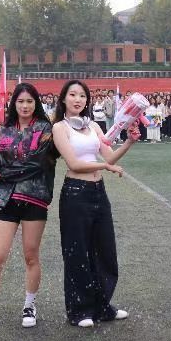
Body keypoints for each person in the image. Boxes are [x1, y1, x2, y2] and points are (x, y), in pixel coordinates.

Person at [52, 80, 138, 328]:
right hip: (75, 193)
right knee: (77, 252)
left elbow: (109, 156)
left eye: (82, 95)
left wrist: (129, 142)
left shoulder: (93, 126)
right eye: (72, 95)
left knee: (105, 250)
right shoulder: (59, 127)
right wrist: (105, 166)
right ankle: (80, 311)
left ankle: (102, 306)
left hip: (98, 191)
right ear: (64, 99)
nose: (77, 99)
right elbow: (74, 164)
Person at [0, 83, 56, 331]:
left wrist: (4, 173)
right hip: (7, 199)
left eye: (30, 101)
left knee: (31, 256)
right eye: (20, 101)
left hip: (35, 198)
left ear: (36, 103)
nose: (25, 106)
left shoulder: (45, 129)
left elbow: (37, 164)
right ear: (14, 104)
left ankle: (29, 306)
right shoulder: (4, 130)